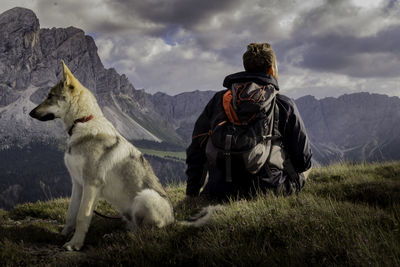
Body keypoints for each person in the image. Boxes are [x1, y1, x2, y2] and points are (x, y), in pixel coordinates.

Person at [186, 43, 312, 200]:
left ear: (246, 67)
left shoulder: (219, 100)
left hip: (218, 192)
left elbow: (196, 149)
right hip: (267, 193)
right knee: (307, 168)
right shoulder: (283, 104)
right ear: (272, 69)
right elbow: (303, 161)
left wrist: (191, 193)